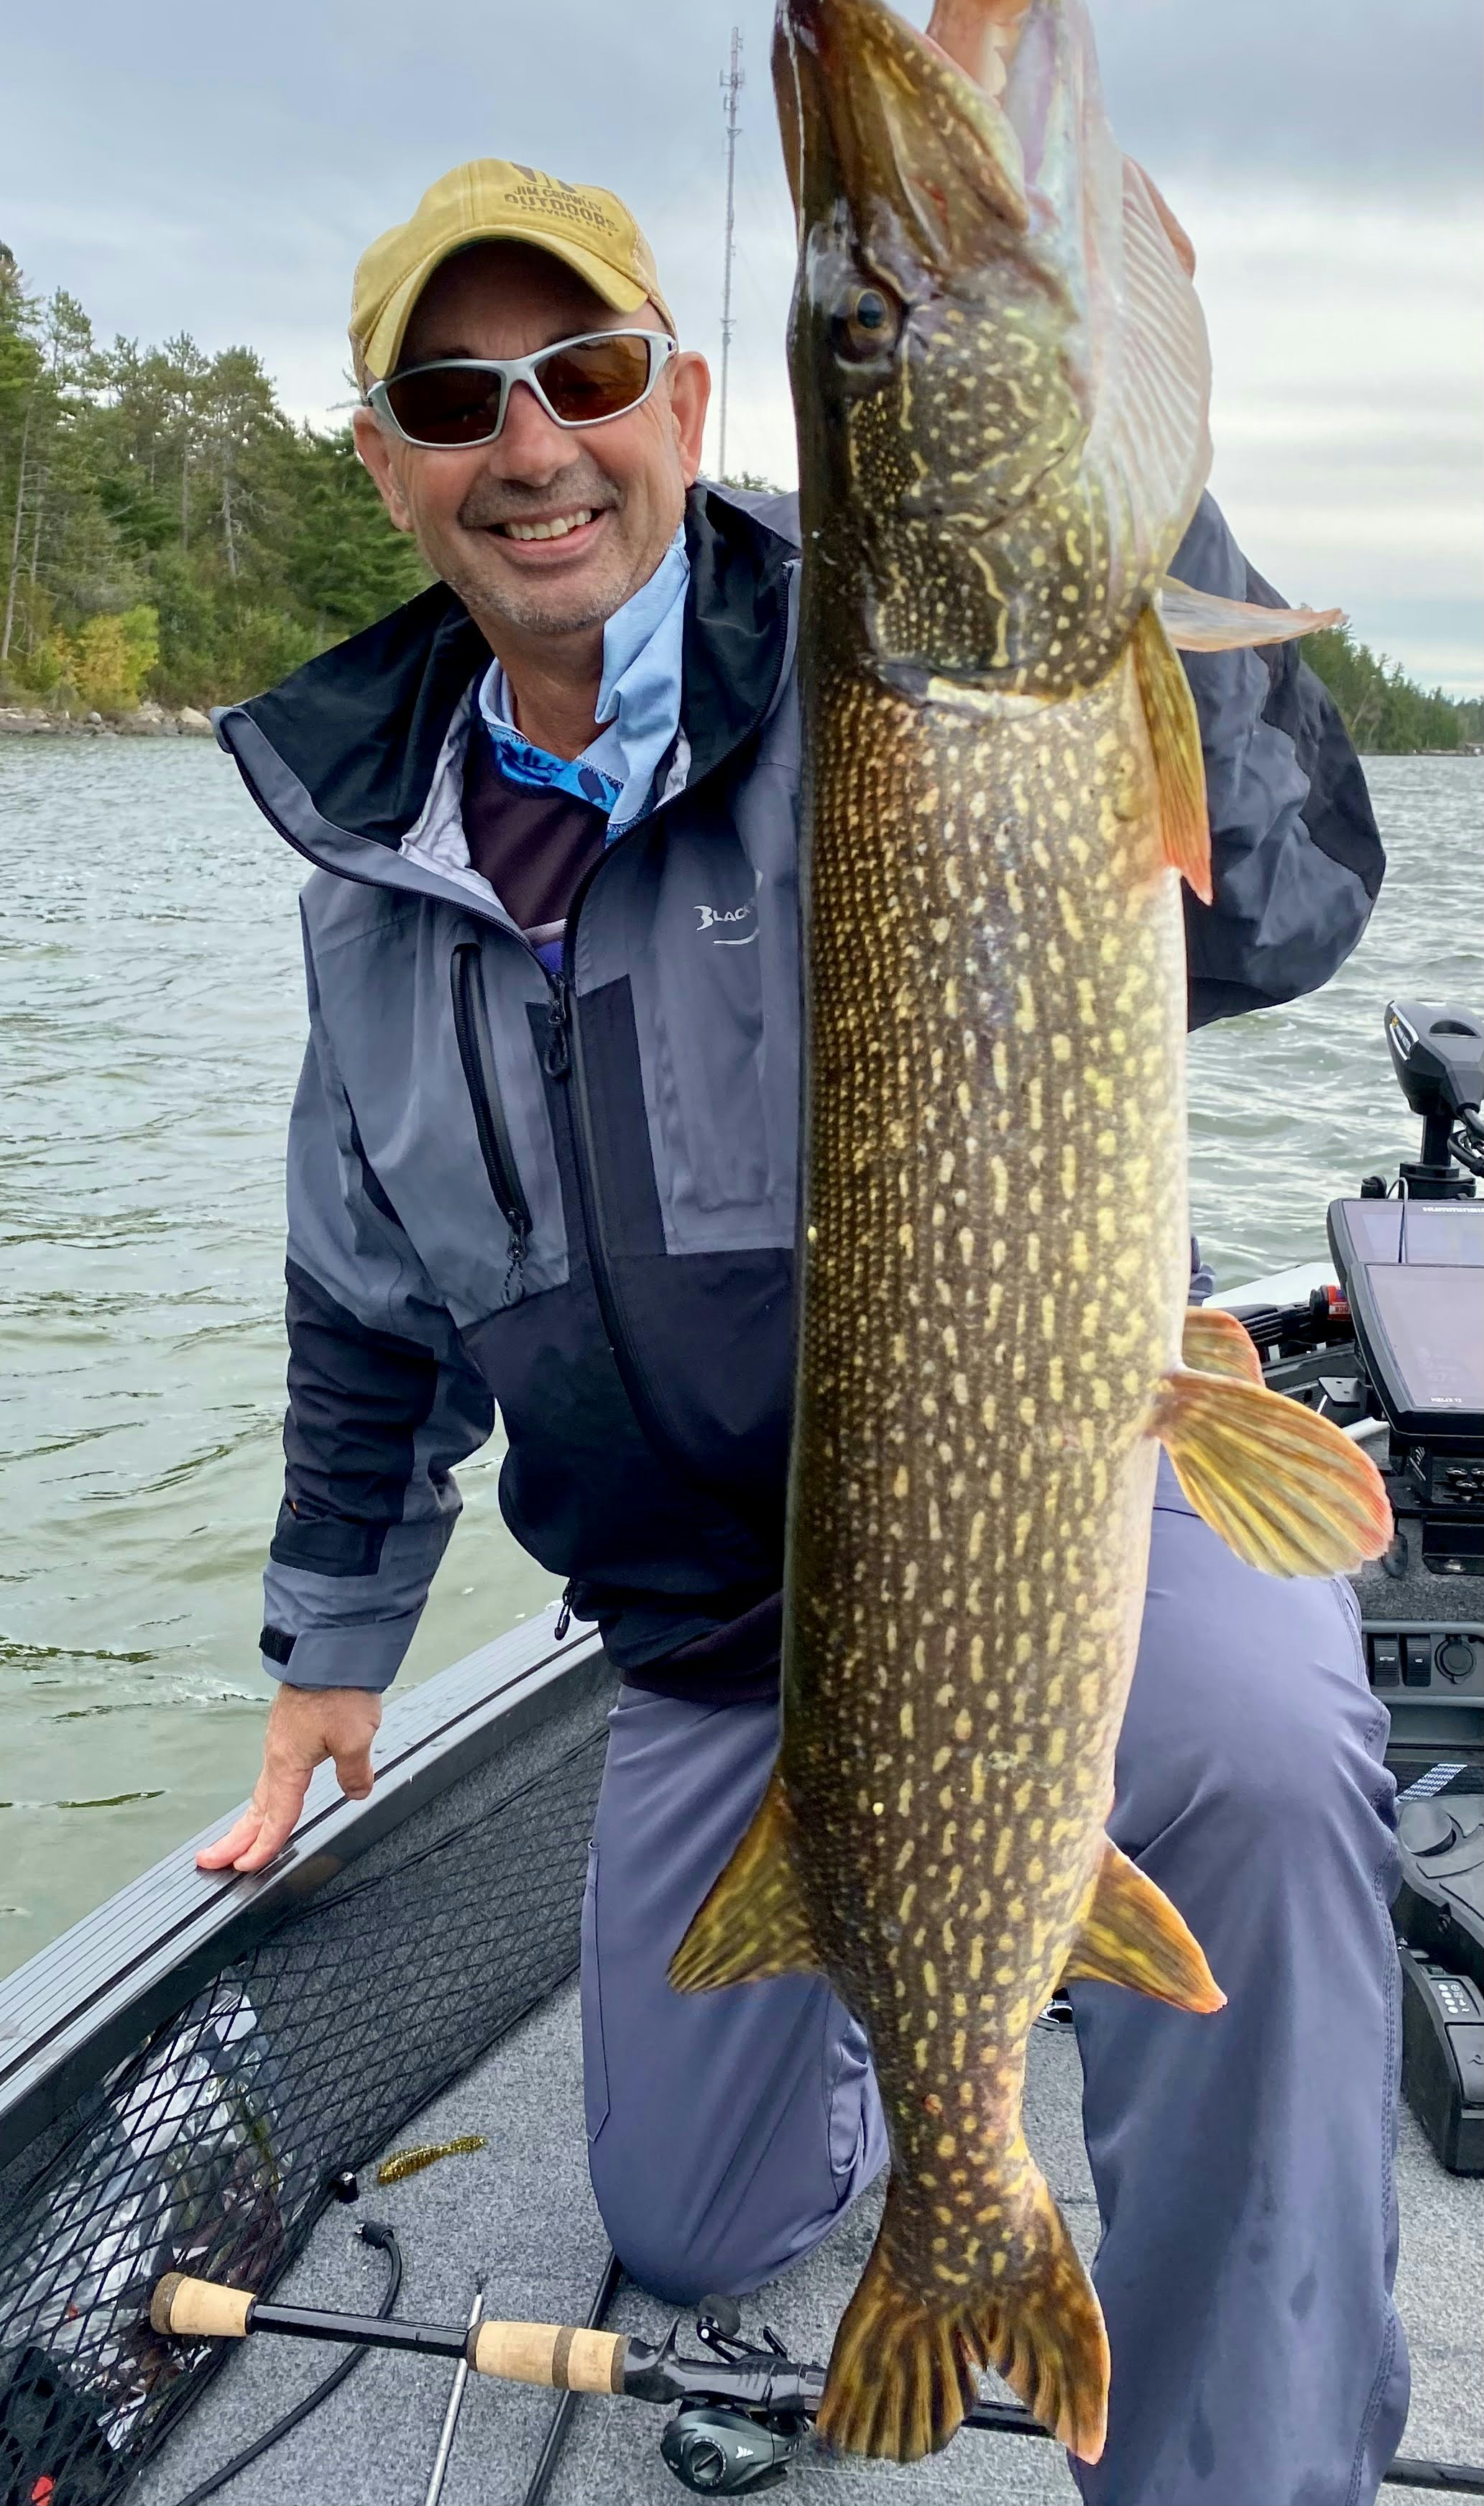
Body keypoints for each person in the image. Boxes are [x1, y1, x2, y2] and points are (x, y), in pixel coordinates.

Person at [197, 159, 1405, 2506]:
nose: (531, 442)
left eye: (583, 374)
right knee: (691, 2216)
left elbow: (1281, 911)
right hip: (710, 1633)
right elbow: (362, 1294)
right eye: (458, 397)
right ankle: (929, 2067)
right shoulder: (377, 876)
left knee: (1256, 1773)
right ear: (385, 460)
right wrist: (333, 1646)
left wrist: (1125, 471)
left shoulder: (915, 665)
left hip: (1044, 1496)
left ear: (684, 391)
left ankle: (1233, 2469)